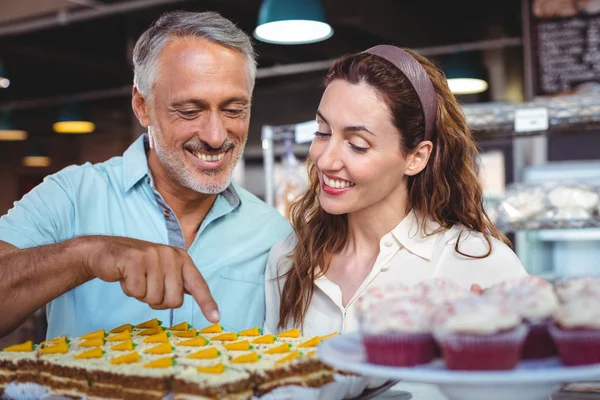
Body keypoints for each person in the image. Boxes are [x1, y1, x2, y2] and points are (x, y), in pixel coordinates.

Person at [0, 11, 291, 339]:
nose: (215, 136)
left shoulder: (275, 236)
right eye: (189, 111)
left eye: (234, 110)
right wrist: (85, 255)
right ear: (142, 105)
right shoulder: (69, 196)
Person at [264, 45, 527, 336]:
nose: (325, 160)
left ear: (416, 157)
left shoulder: (479, 265)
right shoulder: (287, 258)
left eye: (357, 145)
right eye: (322, 132)